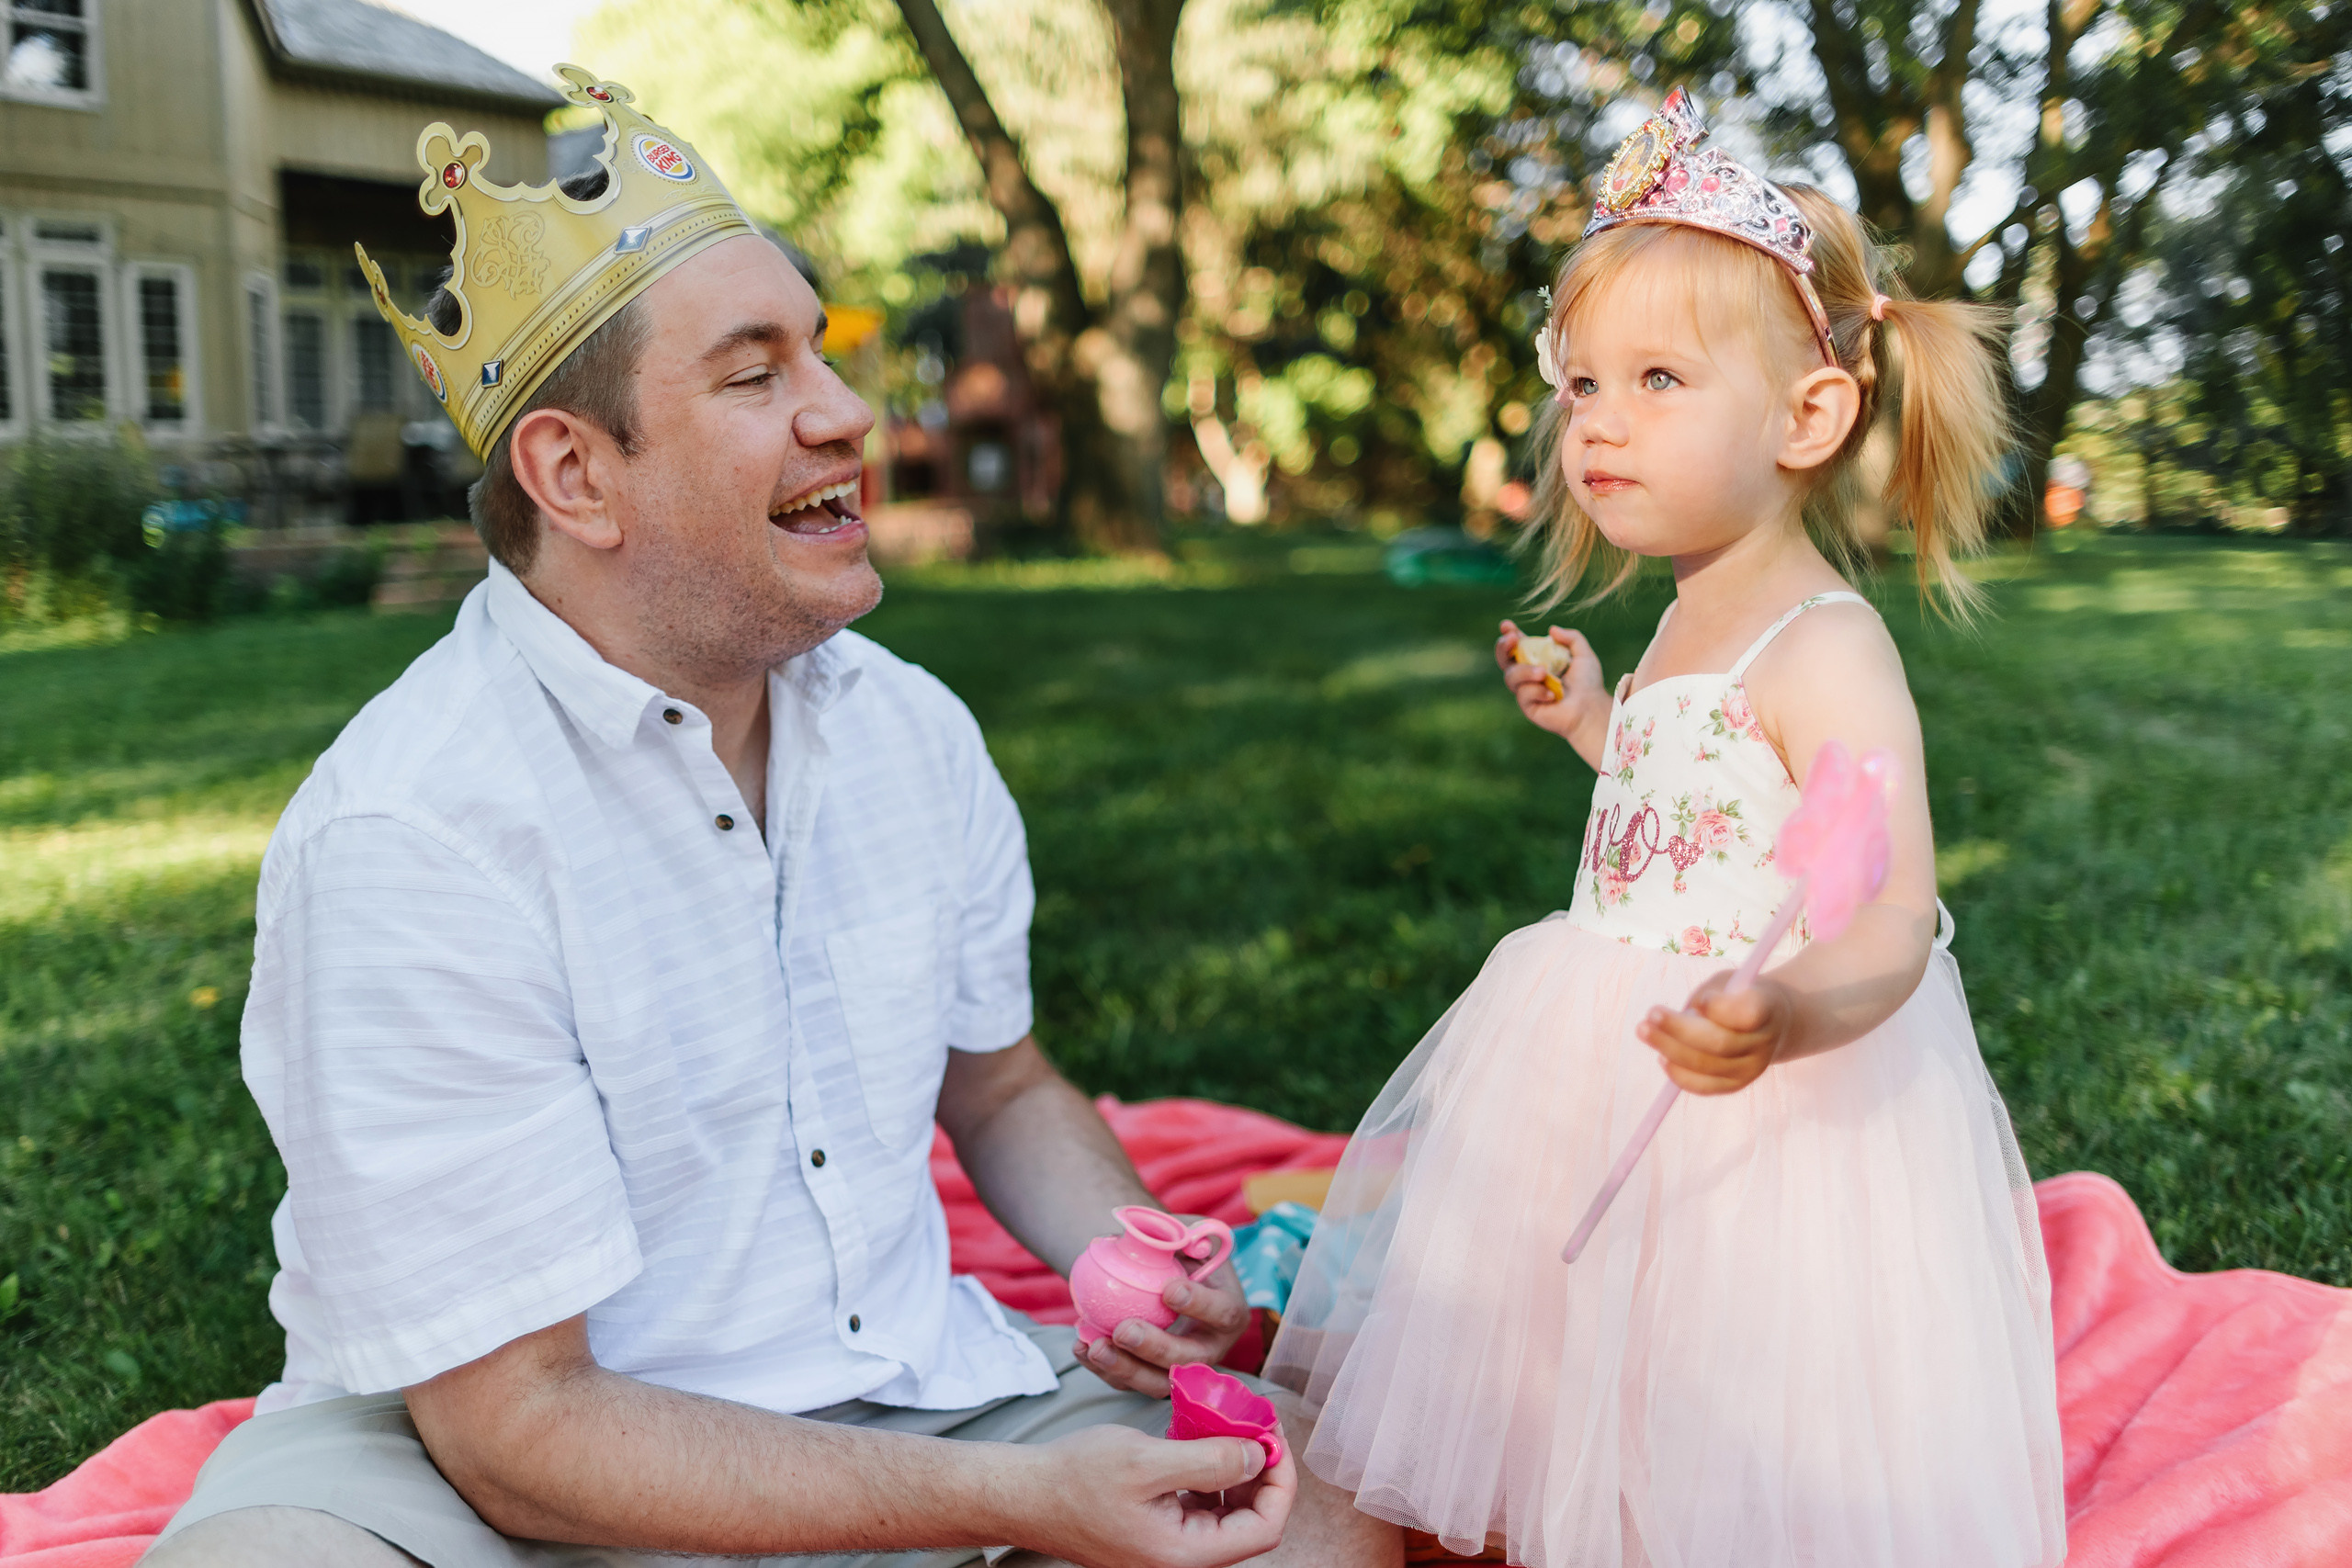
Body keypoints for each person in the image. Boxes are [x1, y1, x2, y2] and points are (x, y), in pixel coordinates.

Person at [143, 66, 1398, 1568]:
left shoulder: (913, 733)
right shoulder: (412, 834)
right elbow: (521, 1431)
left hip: (895, 1403)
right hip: (475, 1463)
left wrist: (1125, 1249)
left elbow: (997, 1088)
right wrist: (1017, 1507)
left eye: (818, 351)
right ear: (573, 473)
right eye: (756, 375)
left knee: (1311, 1517)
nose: (847, 411)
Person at [1264, 89, 2065, 1568]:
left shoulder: (1828, 649)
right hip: (1594, 1044)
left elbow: (1885, 911)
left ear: (1810, 415)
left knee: (1713, 1366)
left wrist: (1784, 1009)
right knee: (1551, 1334)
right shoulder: (1690, 611)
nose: (1601, 422)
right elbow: (1694, 820)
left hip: (1760, 1098)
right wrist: (1598, 724)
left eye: (1655, 380)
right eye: (1580, 386)